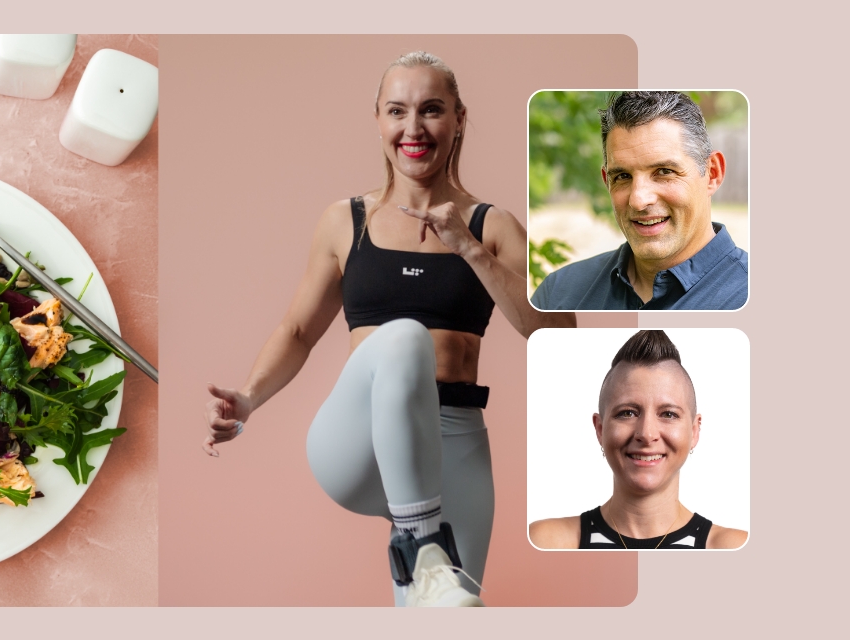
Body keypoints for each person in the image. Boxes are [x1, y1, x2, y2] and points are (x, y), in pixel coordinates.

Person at [201, 51, 574, 607]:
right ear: (378, 119)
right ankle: (424, 547)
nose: (413, 128)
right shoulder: (345, 221)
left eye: (431, 110)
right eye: (397, 111)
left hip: (455, 437)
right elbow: (299, 329)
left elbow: (557, 333)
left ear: (459, 119)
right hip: (358, 443)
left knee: (452, 609)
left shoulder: (491, 227)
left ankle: (424, 558)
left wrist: (470, 250)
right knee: (402, 336)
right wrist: (249, 398)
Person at [528, 330, 748, 550]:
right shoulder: (547, 542)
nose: (646, 433)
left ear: (694, 431)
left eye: (668, 414)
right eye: (627, 413)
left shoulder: (733, 547)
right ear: (600, 429)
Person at [531, 91, 748, 310]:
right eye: (623, 177)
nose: (638, 200)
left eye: (664, 171)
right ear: (607, 182)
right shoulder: (558, 295)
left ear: (712, 173)